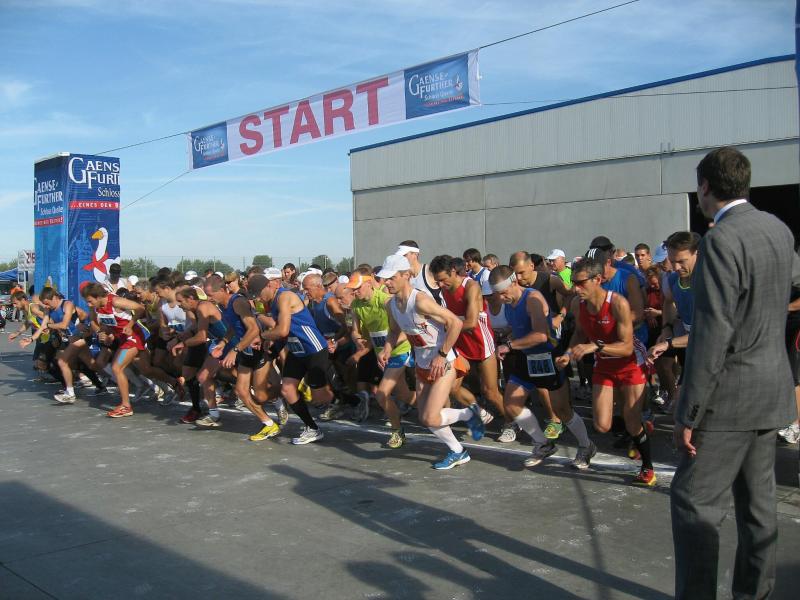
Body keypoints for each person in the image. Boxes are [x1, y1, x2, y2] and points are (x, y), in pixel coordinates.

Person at [670, 147, 799, 600]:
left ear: (705, 187)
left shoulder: (721, 240)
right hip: (770, 389)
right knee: (759, 509)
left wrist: (689, 411)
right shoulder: (778, 229)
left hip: (727, 399)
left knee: (695, 505)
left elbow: (713, 331)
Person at [378, 254, 484, 470]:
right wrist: (387, 349)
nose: (386, 282)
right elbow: (395, 331)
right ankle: (458, 450)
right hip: (422, 364)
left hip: (443, 363)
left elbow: (455, 323)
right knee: (426, 418)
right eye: (384, 278)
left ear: (406, 275)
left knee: (431, 417)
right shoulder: (391, 305)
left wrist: (442, 355)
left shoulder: (420, 301)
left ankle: (469, 415)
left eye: (391, 278)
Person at [558, 257, 655, 486]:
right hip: (604, 364)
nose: (576, 288)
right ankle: (640, 428)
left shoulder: (617, 303)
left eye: (581, 283)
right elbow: (580, 333)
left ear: (598, 279)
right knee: (602, 426)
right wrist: (568, 353)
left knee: (631, 422)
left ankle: (647, 467)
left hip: (630, 363)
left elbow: (627, 347)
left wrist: (596, 346)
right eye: (574, 283)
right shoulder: (578, 304)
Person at [490, 266, 594, 469]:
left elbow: (540, 335)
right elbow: (520, 327)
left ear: (514, 282)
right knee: (511, 404)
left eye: (503, 293)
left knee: (562, 410)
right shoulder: (509, 302)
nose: (501, 298)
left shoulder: (532, 298)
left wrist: (509, 345)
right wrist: (507, 335)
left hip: (548, 358)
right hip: (526, 357)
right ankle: (543, 443)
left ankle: (586, 445)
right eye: (498, 294)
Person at [254, 267, 331, 445]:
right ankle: (312, 428)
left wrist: (263, 336)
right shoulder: (272, 301)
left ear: (272, 285)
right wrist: (271, 340)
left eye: (259, 292)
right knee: (287, 390)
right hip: (296, 350)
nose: (257, 297)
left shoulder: (285, 296)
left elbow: (282, 330)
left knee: (320, 398)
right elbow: (278, 327)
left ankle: (350, 399)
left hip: (313, 348)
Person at [347, 271, 415, 448]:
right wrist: (357, 339)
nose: (355, 292)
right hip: (383, 354)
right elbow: (355, 330)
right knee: (403, 394)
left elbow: (404, 330)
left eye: (358, 288)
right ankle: (435, 408)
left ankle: (397, 431)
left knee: (382, 393)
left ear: (369, 284)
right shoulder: (356, 305)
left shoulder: (385, 301)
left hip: (399, 350)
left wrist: (387, 348)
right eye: (352, 289)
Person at [81, 282, 146, 418]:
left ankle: (126, 406)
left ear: (98, 297)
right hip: (122, 339)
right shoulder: (97, 307)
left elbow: (140, 308)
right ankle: (173, 383)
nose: (88, 304)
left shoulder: (115, 301)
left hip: (133, 337)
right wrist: (104, 334)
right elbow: (102, 324)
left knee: (117, 367)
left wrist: (130, 325)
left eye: (90, 301)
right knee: (147, 369)